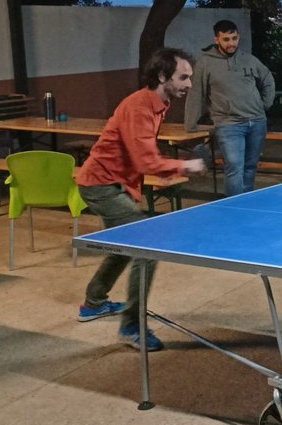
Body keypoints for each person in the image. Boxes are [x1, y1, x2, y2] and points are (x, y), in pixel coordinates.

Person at [76, 48, 206, 351]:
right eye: (183, 77)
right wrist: (184, 166)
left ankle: (94, 302)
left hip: (116, 183)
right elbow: (146, 161)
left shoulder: (159, 103)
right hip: (100, 184)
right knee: (146, 245)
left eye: (190, 77)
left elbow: (141, 157)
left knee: (125, 244)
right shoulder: (139, 107)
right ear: (162, 77)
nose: (189, 84)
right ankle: (132, 327)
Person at [185, 19, 275, 196]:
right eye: (226, 39)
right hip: (229, 124)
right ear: (217, 39)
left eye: (234, 38)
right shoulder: (205, 64)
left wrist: (264, 105)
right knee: (234, 166)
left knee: (250, 166)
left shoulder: (249, 59)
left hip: (257, 122)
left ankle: (246, 202)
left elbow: (267, 80)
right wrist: (190, 124)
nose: (231, 43)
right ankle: (234, 207)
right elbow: (197, 93)